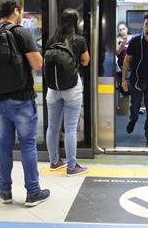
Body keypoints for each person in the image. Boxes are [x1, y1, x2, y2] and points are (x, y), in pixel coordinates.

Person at [0, 0, 50, 206]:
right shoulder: (20, 32)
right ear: (15, 10)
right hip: (21, 97)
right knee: (28, 145)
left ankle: (5, 191)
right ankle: (33, 192)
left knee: (4, 145)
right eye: (20, 11)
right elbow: (38, 64)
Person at [45, 9, 90, 176]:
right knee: (70, 128)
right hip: (71, 88)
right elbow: (86, 62)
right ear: (75, 22)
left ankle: (54, 161)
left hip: (53, 89)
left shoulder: (52, 40)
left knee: (53, 127)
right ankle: (72, 166)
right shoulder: (79, 40)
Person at [121, 13, 148, 147]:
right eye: (147, 24)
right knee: (135, 106)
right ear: (142, 26)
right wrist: (123, 80)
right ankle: (133, 120)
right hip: (135, 80)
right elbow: (127, 61)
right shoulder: (134, 41)